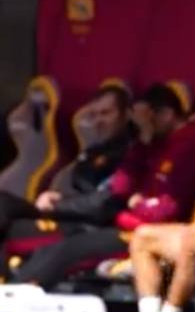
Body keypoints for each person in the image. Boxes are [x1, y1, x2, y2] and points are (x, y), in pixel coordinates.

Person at [12, 84, 195, 288]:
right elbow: (123, 187)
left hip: (152, 236)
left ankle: (16, 299)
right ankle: (10, 296)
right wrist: (143, 140)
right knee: (52, 249)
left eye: (146, 119)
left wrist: (128, 209)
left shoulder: (190, 142)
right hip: (130, 226)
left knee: (68, 251)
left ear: (166, 114)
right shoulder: (153, 143)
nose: (140, 126)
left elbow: (164, 211)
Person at [0, 83, 136, 258]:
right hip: (64, 213)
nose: (99, 120)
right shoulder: (95, 150)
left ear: (126, 115)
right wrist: (59, 199)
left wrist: (57, 205)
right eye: (94, 115)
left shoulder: (129, 155)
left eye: (106, 113)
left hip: (85, 227)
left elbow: (104, 204)